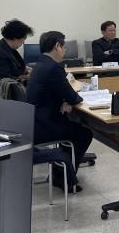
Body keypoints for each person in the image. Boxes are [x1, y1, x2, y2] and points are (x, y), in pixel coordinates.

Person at [26, 31, 93, 193]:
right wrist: (68, 100)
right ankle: (64, 179)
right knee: (84, 134)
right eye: (64, 47)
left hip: (34, 121)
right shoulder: (54, 68)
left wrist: (65, 100)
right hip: (44, 125)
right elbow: (74, 97)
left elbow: (59, 93)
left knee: (72, 129)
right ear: (57, 46)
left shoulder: (40, 64)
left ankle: (59, 173)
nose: (65, 51)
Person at [0, 19, 34, 97]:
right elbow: (8, 82)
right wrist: (28, 77)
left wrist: (26, 69)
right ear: (15, 38)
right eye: (24, 38)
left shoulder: (6, 47)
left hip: (3, 91)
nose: (23, 42)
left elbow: (15, 66)